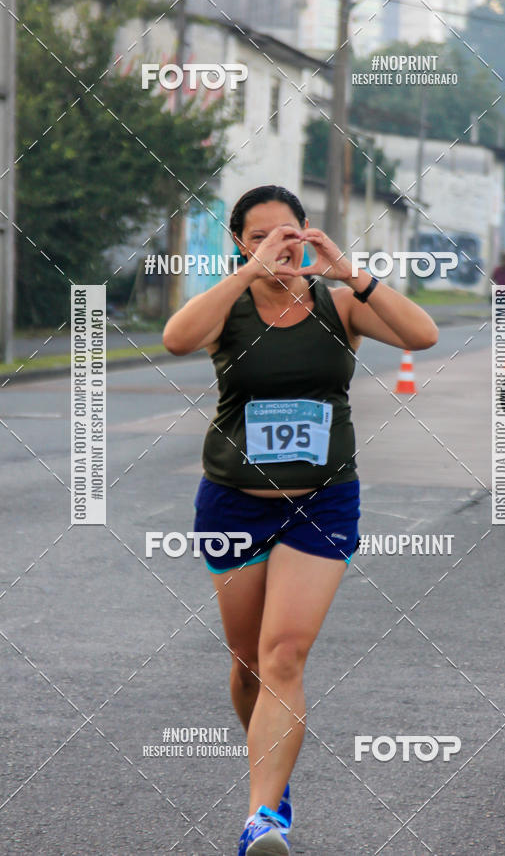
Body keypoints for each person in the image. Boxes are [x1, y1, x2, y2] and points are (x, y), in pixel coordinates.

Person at [163, 185, 438, 855]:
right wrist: (247, 276)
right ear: (240, 245)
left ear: (309, 233)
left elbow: (422, 335)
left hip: (323, 502)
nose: (278, 245)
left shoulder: (337, 301)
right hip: (234, 504)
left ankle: (263, 817)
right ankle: (274, 780)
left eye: (289, 232)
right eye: (260, 236)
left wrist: (352, 273)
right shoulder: (228, 306)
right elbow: (175, 340)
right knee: (248, 665)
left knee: (284, 653)